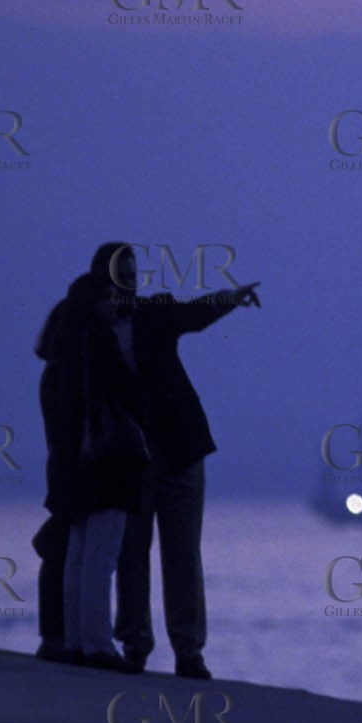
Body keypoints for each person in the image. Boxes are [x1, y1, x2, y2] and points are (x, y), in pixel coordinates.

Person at [93, 242, 260, 679]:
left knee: (182, 553)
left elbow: (193, 315)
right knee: (132, 553)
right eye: (122, 276)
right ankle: (135, 645)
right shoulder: (92, 332)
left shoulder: (154, 312)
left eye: (134, 275)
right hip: (131, 459)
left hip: (181, 449)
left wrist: (230, 297)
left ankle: (189, 651)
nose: (131, 283)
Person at [34, 270, 148, 670]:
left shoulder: (59, 359)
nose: (118, 304)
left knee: (78, 557)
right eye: (110, 297)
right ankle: (98, 644)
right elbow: (131, 395)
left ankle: (76, 640)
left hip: (72, 472)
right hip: (109, 467)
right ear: (96, 303)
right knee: (102, 556)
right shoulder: (100, 345)